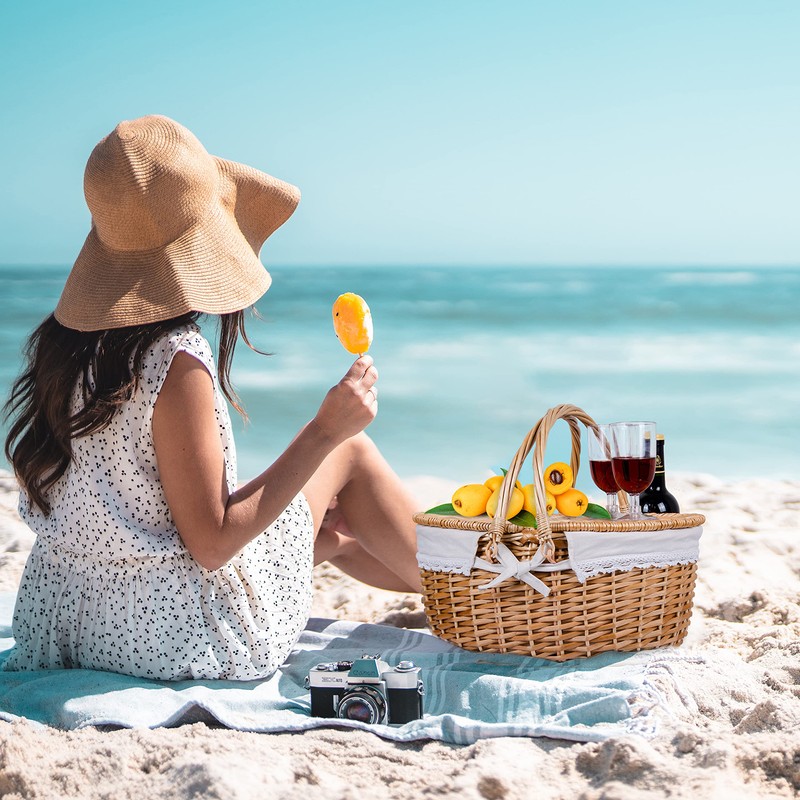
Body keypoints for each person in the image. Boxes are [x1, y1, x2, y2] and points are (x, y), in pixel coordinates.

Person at [2, 115, 422, 681]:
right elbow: (212, 545)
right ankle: (478, 592)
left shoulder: (64, 345)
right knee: (348, 453)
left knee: (329, 535)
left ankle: (337, 550)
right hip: (167, 635)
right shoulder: (173, 359)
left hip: (61, 624)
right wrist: (328, 428)